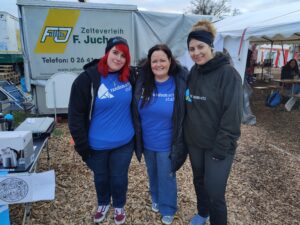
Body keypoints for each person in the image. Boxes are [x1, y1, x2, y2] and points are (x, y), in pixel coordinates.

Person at [68, 36, 135, 225]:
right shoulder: (87, 79)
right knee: (101, 177)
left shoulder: (130, 76)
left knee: (119, 177)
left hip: (124, 142)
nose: (118, 58)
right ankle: (103, 203)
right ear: (107, 53)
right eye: (115, 52)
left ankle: (119, 205)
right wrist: (82, 147)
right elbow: (75, 117)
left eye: (123, 55)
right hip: (96, 145)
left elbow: (160, 70)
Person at [184, 21, 243, 225]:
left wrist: (220, 149)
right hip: (195, 143)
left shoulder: (228, 74)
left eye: (200, 47)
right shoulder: (193, 72)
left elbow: (232, 116)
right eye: (191, 49)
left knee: (215, 191)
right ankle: (202, 212)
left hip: (218, 147)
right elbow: (188, 103)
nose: (196, 52)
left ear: (211, 46)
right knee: (199, 182)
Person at [133, 44, 188, 225]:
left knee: (167, 176)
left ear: (170, 61)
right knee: (152, 172)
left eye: (162, 60)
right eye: (154, 61)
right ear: (149, 63)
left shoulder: (179, 82)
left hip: (168, 143)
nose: (158, 64)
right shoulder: (142, 82)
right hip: (147, 142)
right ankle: (156, 197)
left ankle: (168, 207)